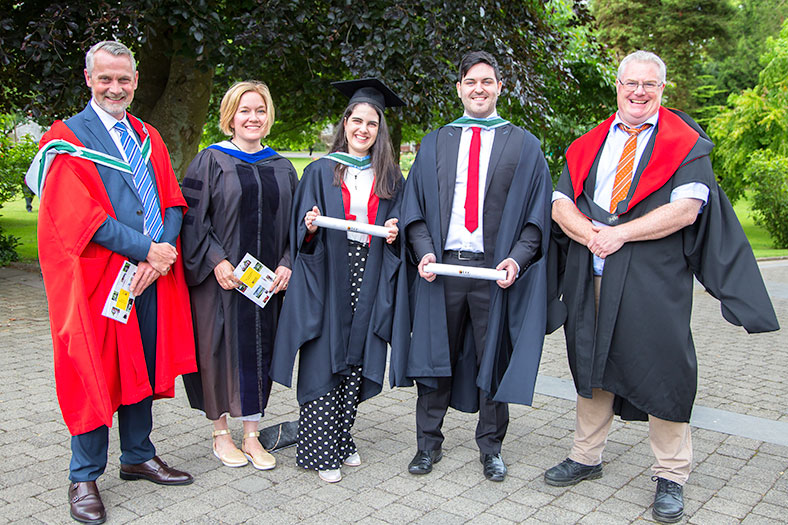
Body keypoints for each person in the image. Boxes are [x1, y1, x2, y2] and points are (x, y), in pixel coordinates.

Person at [545, 50, 779, 523]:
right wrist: (591, 234)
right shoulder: (589, 143)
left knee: (664, 367)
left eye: (648, 85)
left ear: (661, 90)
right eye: (630, 83)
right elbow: (558, 203)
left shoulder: (684, 143)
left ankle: (671, 473)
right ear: (617, 86)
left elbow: (687, 208)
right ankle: (586, 456)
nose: (638, 92)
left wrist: (619, 233)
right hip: (592, 276)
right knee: (590, 364)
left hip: (653, 280)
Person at [30, 41, 197, 524]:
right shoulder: (63, 140)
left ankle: (138, 456)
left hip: (146, 279)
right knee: (95, 369)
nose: (115, 88)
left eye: (123, 79)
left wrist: (160, 257)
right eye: (105, 79)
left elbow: (171, 201)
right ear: (88, 79)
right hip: (99, 282)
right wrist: (147, 249)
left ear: (136, 81)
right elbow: (82, 218)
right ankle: (83, 475)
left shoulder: (149, 135)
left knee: (141, 362)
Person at [392, 50, 552, 483]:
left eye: (487, 81)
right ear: (459, 87)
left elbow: (537, 217)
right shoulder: (436, 141)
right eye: (470, 81)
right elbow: (415, 208)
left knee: (492, 359)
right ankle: (427, 445)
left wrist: (515, 261)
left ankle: (491, 448)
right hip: (440, 271)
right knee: (432, 357)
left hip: (493, 274)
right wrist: (424, 251)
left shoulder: (524, 144)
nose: (478, 88)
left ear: (500, 87)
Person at [271, 78, 404, 483]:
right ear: (344, 123)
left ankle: (342, 437)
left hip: (370, 267)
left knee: (356, 352)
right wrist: (309, 227)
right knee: (323, 352)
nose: (363, 129)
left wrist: (395, 230)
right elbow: (299, 232)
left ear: (380, 132)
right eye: (356, 121)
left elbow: (399, 228)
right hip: (327, 270)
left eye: (372, 124)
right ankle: (318, 450)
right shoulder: (318, 171)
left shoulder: (392, 178)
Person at [180, 81, 298, 471]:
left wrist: (286, 261)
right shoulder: (209, 160)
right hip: (222, 282)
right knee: (216, 352)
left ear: (269, 118)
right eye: (244, 110)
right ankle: (220, 434)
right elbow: (193, 218)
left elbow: (294, 227)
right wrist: (215, 260)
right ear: (230, 116)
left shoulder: (281, 166)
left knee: (258, 355)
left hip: (264, 285)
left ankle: (251, 434)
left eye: (260, 111)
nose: (252, 117)